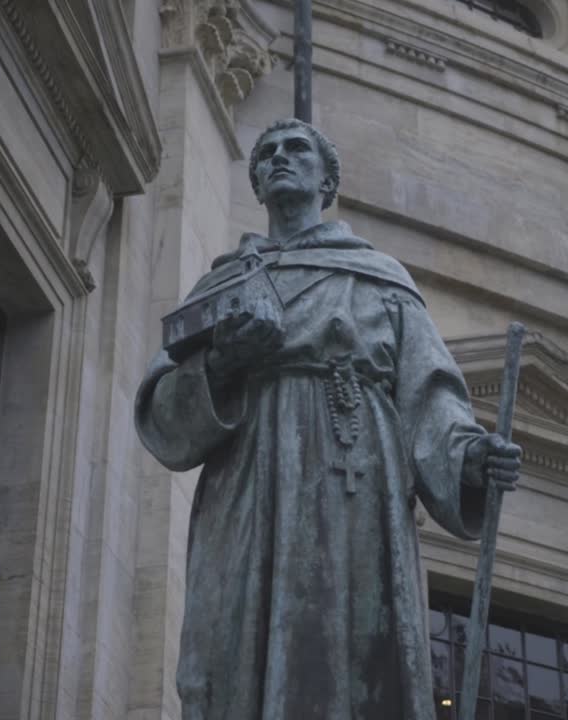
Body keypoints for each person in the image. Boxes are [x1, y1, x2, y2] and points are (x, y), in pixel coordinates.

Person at [135, 118, 521, 719]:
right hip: (248, 489)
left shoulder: (381, 280)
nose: (279, 158)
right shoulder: (219, 287)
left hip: (352, 486)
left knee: (348, 646)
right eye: (267, 153)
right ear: (256, 185)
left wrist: (470, 457)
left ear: (328, 181)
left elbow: (432, 397)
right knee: (228, 647)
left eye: (297, 149)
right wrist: (222, 363)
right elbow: (163, 413)